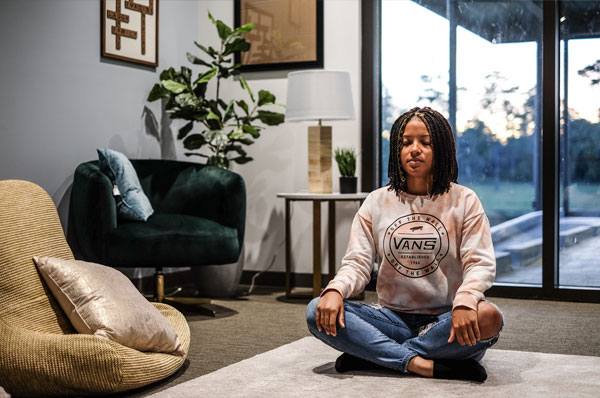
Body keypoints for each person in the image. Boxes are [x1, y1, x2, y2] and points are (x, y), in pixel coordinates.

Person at [306, 107, 503, 382]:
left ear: (442, 149)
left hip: (446, 322)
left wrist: (466, 302)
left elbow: (479, 264)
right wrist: (336, 290)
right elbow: (358, 263)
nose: (414, 149)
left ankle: (372, 354)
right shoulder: (377, 201)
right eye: (406, 142)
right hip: (391, 320)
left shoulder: (464, 200)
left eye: (425, 142)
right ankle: (420, 364)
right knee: (317, 310)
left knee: (489, 317)